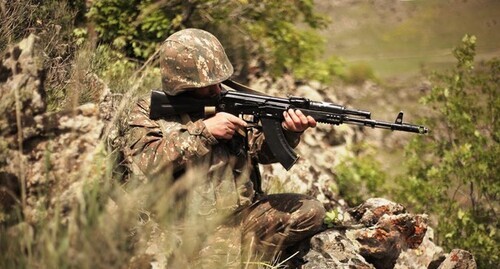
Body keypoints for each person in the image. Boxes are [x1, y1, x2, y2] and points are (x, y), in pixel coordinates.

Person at [122, 28, 326, 267]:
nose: (217, 90)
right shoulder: (147, 112)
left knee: (311, 211)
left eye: (219, 82)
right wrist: (205, 132)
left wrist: (290, 132)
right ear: (182, 84)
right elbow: (147, 161)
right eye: (208, 86)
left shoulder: (226, 101)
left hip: (243, 214)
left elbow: (258, 151)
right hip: (190, 227)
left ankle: (253, 259)